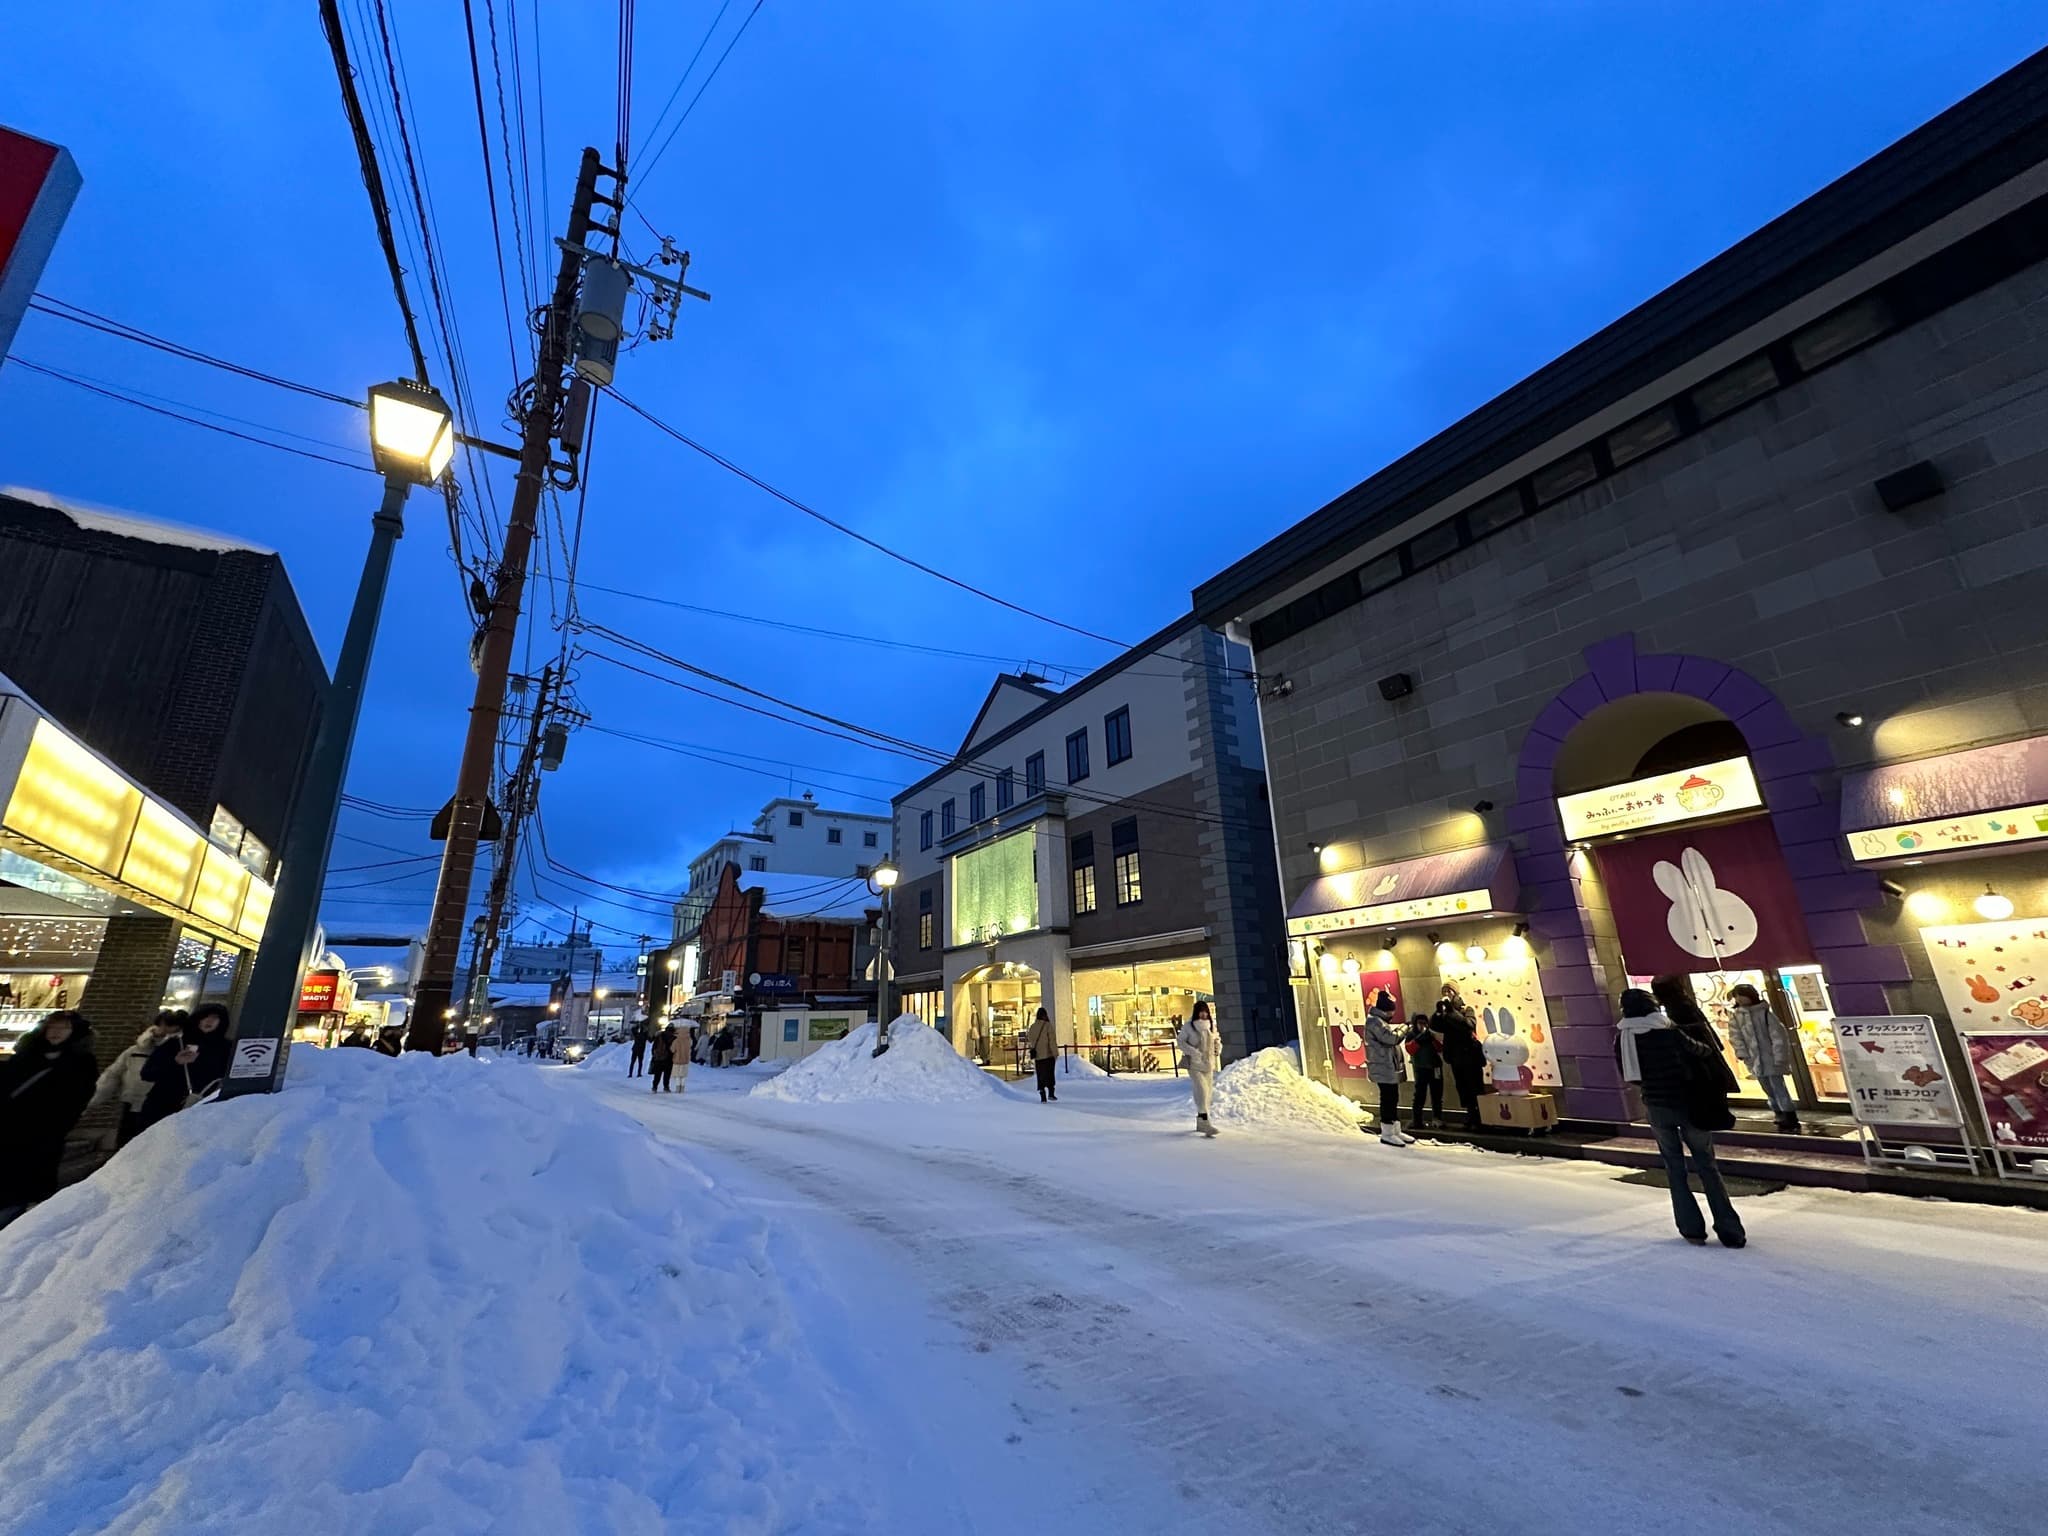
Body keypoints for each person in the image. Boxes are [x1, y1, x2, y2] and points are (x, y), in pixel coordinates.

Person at [1618, 985, 1746, 1248]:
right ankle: (1730, 1230)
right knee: (1707, 1166)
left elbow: (1628, 1074)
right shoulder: (1669, 1032)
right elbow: (1703, 1051)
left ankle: (1691, 1229)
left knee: (1674, 1167)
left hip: (1656, 1107)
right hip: (1689, 1104)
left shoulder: (1623, 1038)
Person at [0, 1011, 100, 1226]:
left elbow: (77, 1099)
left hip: (43, 1135)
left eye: (63, 1028)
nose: (55, 1033)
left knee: (28, 1183)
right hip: (7, 1129)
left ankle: (17, 1226)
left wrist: (57, 1128)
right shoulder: (25, 1055)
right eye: (52, 1027)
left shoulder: (82, 1063)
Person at [88, 1011, 183, 1149]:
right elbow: (112, 1075)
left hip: (163, 1106)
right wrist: (91, 1100)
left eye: (170, 1026)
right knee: (126, 1143)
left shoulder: (179, 1052)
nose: (163, 1030)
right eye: (160, 1025)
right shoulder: (136, 1050)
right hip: (132, 1104)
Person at [137, 1003, 233, 1132]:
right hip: (163, 1107)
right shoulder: (175, 1044)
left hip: (203, 1111)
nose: (209, 1021)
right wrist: (175, 1062)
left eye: (215, 1017)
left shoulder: (226, 1049)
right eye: (204, 1016)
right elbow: (147, 1073)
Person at [1726, 983, 1802, 1132]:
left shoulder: (1765, 1013)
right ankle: (1779, 1113)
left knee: (1778, 1087)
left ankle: (1789, 1115)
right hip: (1754, 1060)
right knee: (1767, 1087)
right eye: (1737, 996)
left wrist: (1779, 1057)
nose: (1739, 999)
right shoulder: (1736, 1016)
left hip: (1770, 1058)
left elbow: (1778, 1036)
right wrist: (1742, 1053)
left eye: (1741, 995)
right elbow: (1735, 1036)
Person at [1434, 984, 1487, 1129]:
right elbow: (1436, 1026)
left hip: (1470, 1056)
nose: (1446, 993)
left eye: (1449, 991)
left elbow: (1468, 1025)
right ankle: (1470, 1116)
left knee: (1475, 1087)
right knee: (1462, 1088)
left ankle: (1480, 1118)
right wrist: (1438, 1012)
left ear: (1456, 993)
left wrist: (1451, 1011)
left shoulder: (1466, 1009)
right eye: (1444, 991)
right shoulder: (1445, 1012)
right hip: (1455, 1057)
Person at [1364, 991, 1413, 1146]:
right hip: (1382, 1067)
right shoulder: (1374, 1022)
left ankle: (1395, 1130)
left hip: (1387, 1066)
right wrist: (1405, 1027)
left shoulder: (1379, 1021)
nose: (1393, 1012)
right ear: (1385, 1009)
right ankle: (1387, 1133)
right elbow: (1391, 1038)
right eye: (1392, 1010)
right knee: (1388, 1098)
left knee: (1393, 1097)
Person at [1175, 1000, 1223, 1137]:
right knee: (1202, 1090)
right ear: (1196, 1012)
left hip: (1208, 1064)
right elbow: (1180, 1041)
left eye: (1205, 1011)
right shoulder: (1189, 1027)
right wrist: (1193, 1052)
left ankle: (1201, 1121)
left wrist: (1217, 1048)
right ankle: (1205, 1122)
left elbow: (1216, 1039)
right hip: (1194, 1064)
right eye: (1201, 1011)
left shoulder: (1211, 1026)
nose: (1203, 1014)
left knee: (1207, 1093)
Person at [1404, 1012, 1444, 1130]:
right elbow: (1410, 1049)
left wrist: (1432, 1037)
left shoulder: (1431, 1035)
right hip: (1420, 1068)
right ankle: (1417, 1120)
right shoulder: (1412, 1035)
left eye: (1424, 1023)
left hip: (1435, 1067)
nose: (1422, 1026)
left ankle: (1437, 1118)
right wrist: (1419, 1039)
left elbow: (1440, 1048)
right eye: (1420, 1023)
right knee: (1419, 1095)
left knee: (1437, 1095)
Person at [1025, 1005, 1059, 1103]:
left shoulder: (1032, 1027)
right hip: (1048, 1055)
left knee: (1040, 1075)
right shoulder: (1048, 1026)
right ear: (1045, 1015)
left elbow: (1030, 1040)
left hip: (1038, 1056)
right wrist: (1055, 1053)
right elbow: (1052, 1041)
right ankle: (1051, 1093)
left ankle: (1042, 1094)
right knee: (1049, 1074)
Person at [649, 1022, 677, 1093]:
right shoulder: (674, 1038)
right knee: (667, 1074)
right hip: (669, 1058)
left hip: (659, 1058)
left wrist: (654, 1054)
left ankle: (654, 1087)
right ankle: (666, 1087)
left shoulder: (660, 1036)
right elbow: (675, 1049)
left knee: (657, 1074)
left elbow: (654, 1046)